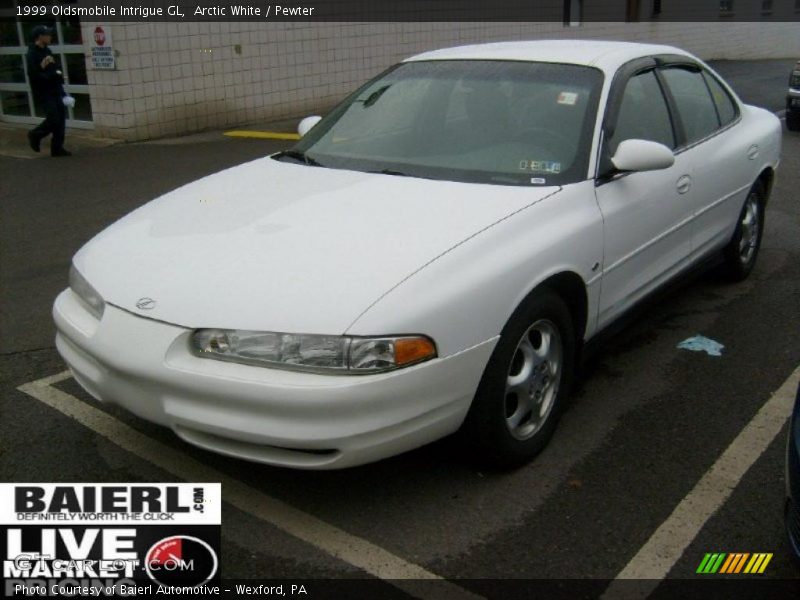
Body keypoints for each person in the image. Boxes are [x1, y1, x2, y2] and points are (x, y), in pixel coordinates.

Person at [25, 25, 71, 157]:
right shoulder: (32, 54)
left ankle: (57, 148)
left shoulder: (48, 51)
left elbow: (54, 69)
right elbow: (34, 75)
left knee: (61, 119)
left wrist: (59, 80)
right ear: (40, 37)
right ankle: (34, 135)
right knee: (53, 119)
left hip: (55, 89)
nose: (50, 36)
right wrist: (51, 77)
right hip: (43, 92)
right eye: (47, 34)